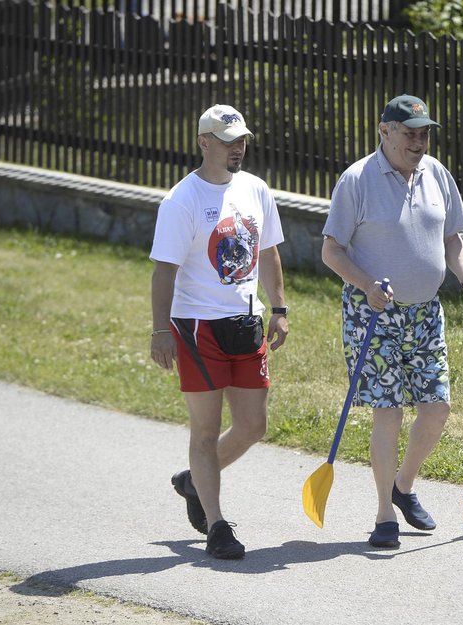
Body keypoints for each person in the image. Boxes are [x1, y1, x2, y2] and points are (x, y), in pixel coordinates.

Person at [321, 94, 463, 548]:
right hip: (373, 313)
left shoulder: (436, 174)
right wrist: (366, 285)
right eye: (409, 133)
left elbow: (452, 239)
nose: (418, 141)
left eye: (424, 133)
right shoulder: (357, 180)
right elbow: (331, 250)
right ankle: (383, 515)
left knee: (437, 410)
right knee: (389, 414)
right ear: (385, 131)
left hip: (426, 313)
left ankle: (403, 486)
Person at [149, 104, 289, 560]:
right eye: (228, 141)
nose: (238, 148)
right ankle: (217, 526)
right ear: (203, 142)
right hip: (196, 326)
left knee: (253, 425)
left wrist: (279, 307)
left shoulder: (255, 189)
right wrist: (160, 330)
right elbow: (164, 270)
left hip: (246, 323)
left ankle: (193, 482)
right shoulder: (182, 200)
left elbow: (267, 252)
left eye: (242, 140)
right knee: (205, 431)